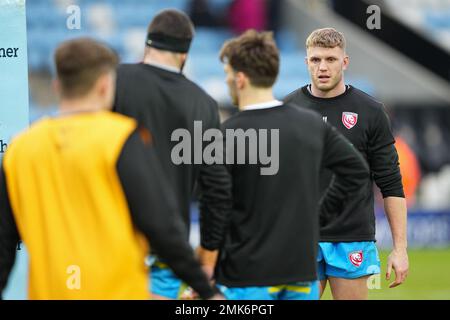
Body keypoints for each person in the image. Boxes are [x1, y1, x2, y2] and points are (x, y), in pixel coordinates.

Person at [0, 38, 221, 300]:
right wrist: (208, 292)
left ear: (57, 86)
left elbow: (3, 248)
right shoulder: (121, 138)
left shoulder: (20, 150)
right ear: (105, 85)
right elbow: (162, 228)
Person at [196, 30, 370, 300]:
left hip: (247, 274)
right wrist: (318, 216)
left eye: (228, 73)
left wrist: (206, 268)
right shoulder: (310, 124)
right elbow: (356, 172)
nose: (228, 79)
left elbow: (215, 206)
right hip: (300, 272)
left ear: (240, 79)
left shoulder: (224, 135)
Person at [113, 9, 232, 299]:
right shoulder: (203, 104)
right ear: (185, 55)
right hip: (166, 248)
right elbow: (216, 187)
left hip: (112, 240)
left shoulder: (113, 80)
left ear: (147, 45)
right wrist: (207, 256)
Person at [284, 28, 409, 300]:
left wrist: (400, 249)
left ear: (345, 62)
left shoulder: (371, 112)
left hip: (351, 236)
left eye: (330, 59)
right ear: (306, 63)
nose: (323, 67)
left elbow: (390, 183)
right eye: (315, 60)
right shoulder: (288, 109)